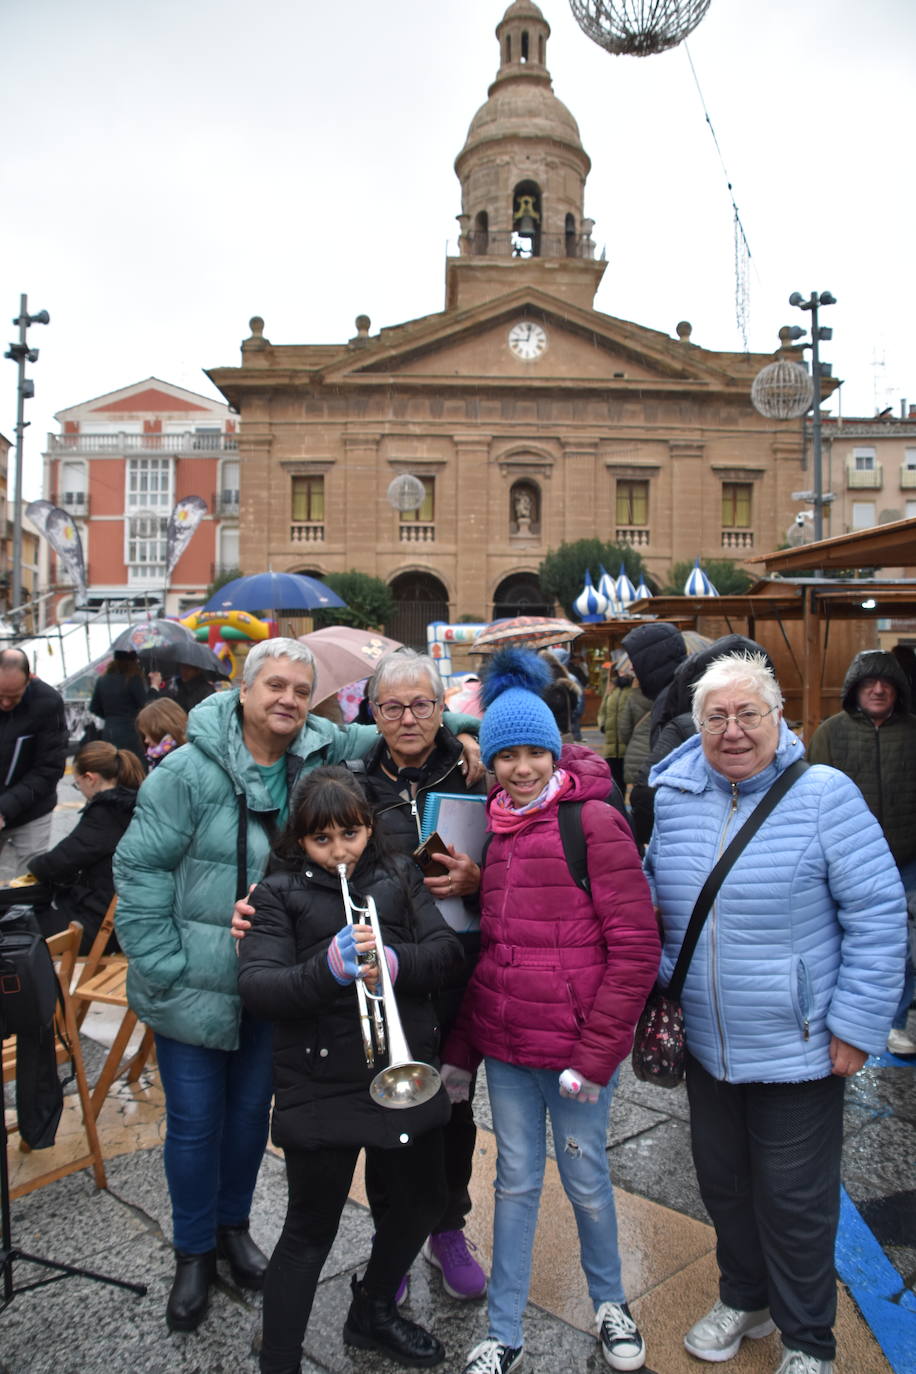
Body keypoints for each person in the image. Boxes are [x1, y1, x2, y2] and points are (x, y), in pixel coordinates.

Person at [113, 637, 481, 1333]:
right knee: (193, 1125)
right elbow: (139, 871)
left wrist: (461, 727)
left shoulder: (316, 747)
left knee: (250, 1118)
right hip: (194, 979)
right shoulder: (185, 770)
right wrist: (164, 967)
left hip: (276, 981)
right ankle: (193, 1253)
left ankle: (232, 1229)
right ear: (243, 690)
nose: (286, 699)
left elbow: (399, 719)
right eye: (274, 686)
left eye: (300, 690)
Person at [645, 650, 906, 1374]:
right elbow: (652, 897)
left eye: (747, 713)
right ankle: (745, 1298)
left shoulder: (825, 796)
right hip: (705, 1043)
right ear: (697, 725)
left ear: (778, 717)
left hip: (800, 1045)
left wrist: (856, 1025)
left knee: (796, 1201)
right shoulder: (674, 796)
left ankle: (807, 1339)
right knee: (723, 1186)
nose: (732, 730)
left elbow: (879, 915)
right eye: (715, 717)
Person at [233, 647, 489, 1303]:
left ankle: (447, 1226)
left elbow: (515, 861)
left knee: (453, 1110)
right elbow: (298, 856)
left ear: (443, 708)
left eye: (422, 704)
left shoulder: (473, 770)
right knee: (384, 1109)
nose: (408, 718)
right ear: (372, 712)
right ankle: (391, 1244)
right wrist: (260, 909)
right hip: (368, 985)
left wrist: (480, 880)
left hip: (452, 967)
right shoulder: (350, 776)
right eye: (392, 706)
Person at [442, 648, 660, 1374]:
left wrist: (597, 1057)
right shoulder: (496, 829)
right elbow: (495, 954)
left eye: (535, 752)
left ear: (555, 751)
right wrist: (461, 1054)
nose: (522, 769)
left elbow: (635, 947)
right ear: (490, 761)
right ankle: (503, 1330)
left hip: (574, 1054)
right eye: (506, 756)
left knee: (587, 1180)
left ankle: (611, 1303)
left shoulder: (591, 821)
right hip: (508, 1050)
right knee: (513, 1183)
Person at [237, 765, 463, 1373]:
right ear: (299, 839)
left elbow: (446, 953)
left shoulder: (398, 872)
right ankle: (279, 1359)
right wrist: (328, 970)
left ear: (369, 827)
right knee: (310, 1230)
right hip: (319, 1083)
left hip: (400, 1071)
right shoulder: (276, 893)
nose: (340, 851)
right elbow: (258, 987)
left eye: (351, 834)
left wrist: (396, 961)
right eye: (322, 839)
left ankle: (373, 1310)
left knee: (424, 1199)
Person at [807, 648, 916, 1056]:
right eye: (869, 682)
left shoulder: (913, 731)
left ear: (899, 689)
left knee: (904, 946)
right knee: (844, 942)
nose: (878, 689)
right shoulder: (830, 733)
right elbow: (810, 799)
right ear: (854, 688)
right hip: (847, 862)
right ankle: (838, 1018)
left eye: (887, 682)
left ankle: (895, 1021)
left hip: (908, 860)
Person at [24, 741, 145, 953]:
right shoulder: (132, 805)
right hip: (128, 916)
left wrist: (33, 867)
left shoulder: (106, 813)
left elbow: (57, 862)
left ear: (90, 778)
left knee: (20, 927)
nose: (79, 790)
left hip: (101, 924)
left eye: (77, 784)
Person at [0, 648, 69, 881]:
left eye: (14, 696)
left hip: (33, 809)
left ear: (29, 679)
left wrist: (5, 808)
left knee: (27, 884)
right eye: (0, 696)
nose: (5, 703)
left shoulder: (48, 702)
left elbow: (50, 768)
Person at [90, 649, 148, 763]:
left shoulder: (102, 680)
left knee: (114, 764)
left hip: (109, 730)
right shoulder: (133, 679)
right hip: (131, 731)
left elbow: (94, 707)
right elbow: (144, 703)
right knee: (134, 764)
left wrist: (110, 717)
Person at [596, 663, 633, 791]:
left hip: (627, 743)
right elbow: (602, 710)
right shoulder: (612, 688)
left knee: (627, 778)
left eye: (625, 670)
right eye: (620, 671)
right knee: (614, 780)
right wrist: (603, 725)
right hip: (611, 743)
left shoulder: (633, 690)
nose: (623, 673)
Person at [135, 697, 188, 769]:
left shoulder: (171, 761)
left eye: (148, 734)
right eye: (144, 736)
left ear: (161, 730)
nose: (146, 740)